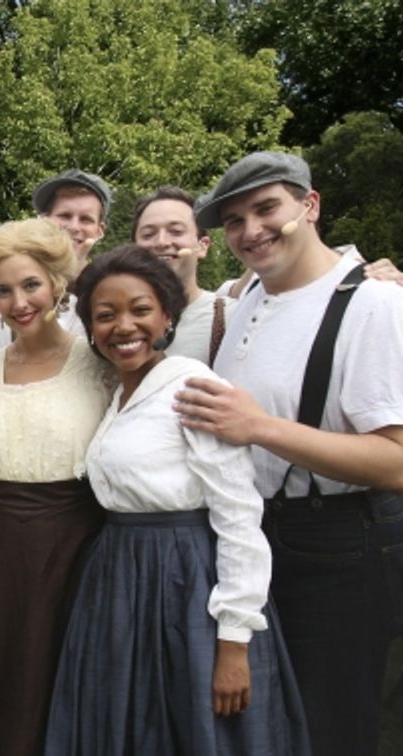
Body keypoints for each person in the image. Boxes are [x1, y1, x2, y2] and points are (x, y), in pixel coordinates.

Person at [178, 151, 403, 755]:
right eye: (234, 220)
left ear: (310, 205)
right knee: (266, 728)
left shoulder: (374, 305)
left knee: (330, 728)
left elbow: (397, 462)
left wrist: (261, 428)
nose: (251, 230)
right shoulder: (248, 295)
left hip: (339, 546)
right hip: (253, 540)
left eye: (266, 208)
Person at [45, 245, 309, 755]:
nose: (124, 326)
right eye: (106, 315)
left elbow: (238, 514)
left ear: (166, 315)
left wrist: (234, 641)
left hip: (187, 580)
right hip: (120, 581)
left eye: (140, 310)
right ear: (91, 329)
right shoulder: (117, 394)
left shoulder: (192, 385)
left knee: (191, 722)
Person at [0, 218, 111, 756]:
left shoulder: (100, 364)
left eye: (30, 285)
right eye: (2, 290)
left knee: (55, 671)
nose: (18, 302)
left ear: (57, 284)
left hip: (75, 543)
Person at [0, 169, 109, 357]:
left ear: (100, 230)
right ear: (45, 220)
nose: (74, 227)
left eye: (85, 219)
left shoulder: (105, 293)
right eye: (65, 216)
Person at [131, 186, 232, 364]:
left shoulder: (232, 317)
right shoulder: (114, 320)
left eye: (176, 231)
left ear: (203, 246)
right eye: (148, 234)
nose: (161, 242)